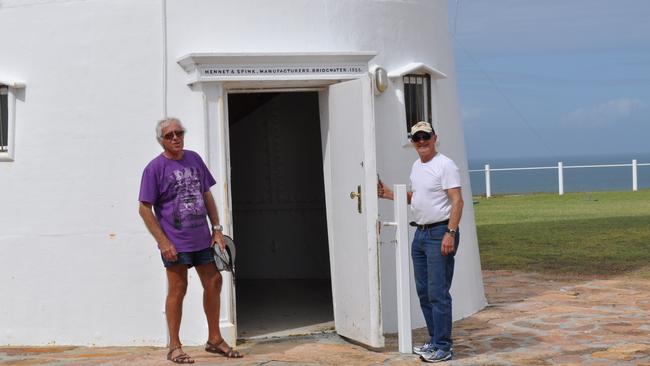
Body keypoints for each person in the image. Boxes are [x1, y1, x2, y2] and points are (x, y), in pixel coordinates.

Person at [138, 118, 243, 364]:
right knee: (178, 289)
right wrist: (163, 242)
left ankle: (215, 339)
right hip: (175, 242)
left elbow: (206, 194)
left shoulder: (194, 159)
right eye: (169, 135)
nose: (175, 137)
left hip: (202, 239)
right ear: (161, 141)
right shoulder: (154, 168)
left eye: (179, 132)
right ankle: (174, 346)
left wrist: (217, 230)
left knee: (215, 281)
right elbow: (144, 208)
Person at [378, 121, 463, 363]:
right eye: (417, 138)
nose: (422, 141)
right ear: (412, 142)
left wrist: (451, 233)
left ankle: (444, 346)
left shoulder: (445, 165)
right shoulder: (417, 166)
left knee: (438, 292)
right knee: (424, 292)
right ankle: (435, 339)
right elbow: (417, 198)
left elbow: (457, 201)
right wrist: (388, 194)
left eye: (426, 136)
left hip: (440, 233)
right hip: (421, 234)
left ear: (435, 137)